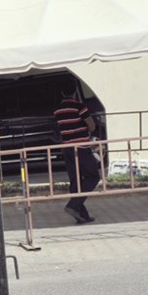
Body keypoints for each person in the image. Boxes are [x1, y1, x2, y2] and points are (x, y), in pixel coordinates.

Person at [54, 86, 102, 224]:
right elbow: (92, 126)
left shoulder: (58, 110)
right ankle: (73, 206)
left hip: (67, 148)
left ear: (62, 92)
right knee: (93, 176)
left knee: (75, 180)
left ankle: (82, 216)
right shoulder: (79, 107)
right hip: (81, 147)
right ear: (74, 92)